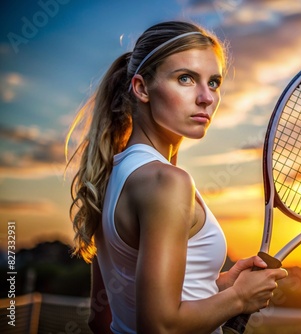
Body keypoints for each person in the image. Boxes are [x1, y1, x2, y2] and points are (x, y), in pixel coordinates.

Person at [66, 21, 287, 334]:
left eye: (214, 82)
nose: (206, 97)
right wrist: (239, 298)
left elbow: (102, 318)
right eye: (186, 78)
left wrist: (222, 286)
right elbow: (160, 325)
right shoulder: (166, 182)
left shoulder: (111, 174)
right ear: (142, 88)